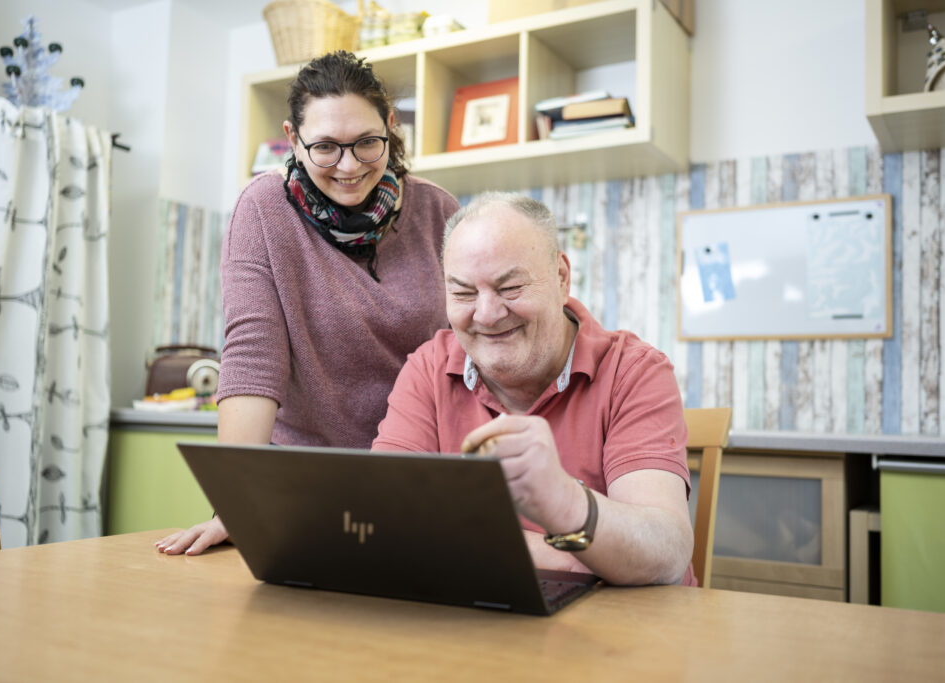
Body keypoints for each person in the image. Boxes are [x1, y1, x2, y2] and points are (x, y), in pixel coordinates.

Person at [157, 51, 459, 556]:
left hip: (419, 471)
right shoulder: (263, 209)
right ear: (293, 139)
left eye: (367, 142)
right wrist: (236, 502)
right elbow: (253, 357)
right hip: (302, 479)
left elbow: (466, 351)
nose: (349, 166)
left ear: (390, 127)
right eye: (325, 147)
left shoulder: (439, 211)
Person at [372, 192, 696, 586]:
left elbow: (665, 554)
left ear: (561, 278)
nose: (486, 315)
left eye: (510, 287)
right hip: (482, 613)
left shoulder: (634, 371)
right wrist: (584, 559)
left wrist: (563, 501)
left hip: (624, 621)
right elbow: (382, 521)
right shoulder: (428, 367)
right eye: (463, 293)